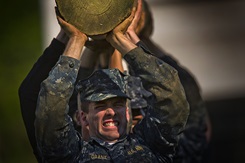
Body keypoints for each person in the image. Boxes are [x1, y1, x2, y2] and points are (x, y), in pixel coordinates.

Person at [34, 2, 189, 162]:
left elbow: (171, 94)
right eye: (100, 106)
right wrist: (76, 40)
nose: (111, 112)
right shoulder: (73, 155)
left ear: (128, 112)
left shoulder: (152, 144)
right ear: (83, 117)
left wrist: (120, 40)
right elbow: (50, 110)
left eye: (118, 104)